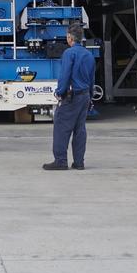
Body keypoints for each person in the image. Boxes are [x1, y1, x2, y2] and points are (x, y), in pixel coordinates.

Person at [44, 24, 95, 171]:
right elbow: (92, 78)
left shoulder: (69, 53)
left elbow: (65, 75)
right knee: (80, 129)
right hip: (85, 96)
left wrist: (60, 92)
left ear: (69, 38)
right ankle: (79, 162)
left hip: (72, 97)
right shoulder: (89, 55)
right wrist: (90, 96)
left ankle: (60, 161)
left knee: (61, 127)